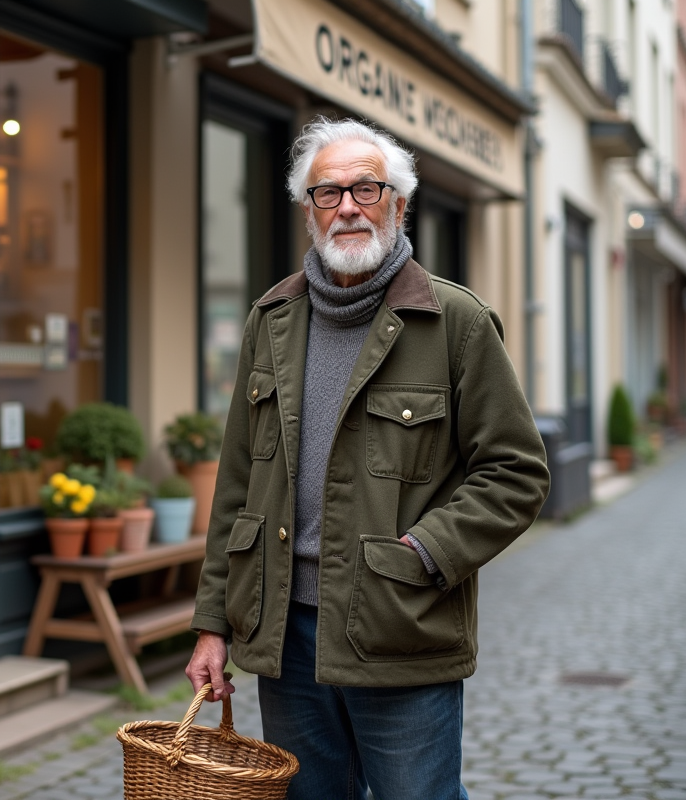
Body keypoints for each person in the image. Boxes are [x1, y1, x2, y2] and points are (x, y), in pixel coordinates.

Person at [186, 117, 549, 799]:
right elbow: (237, 484)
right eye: (328, 193)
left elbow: (517, 472)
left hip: (400, 628)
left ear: (399, 204)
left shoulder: (456, 322)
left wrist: (424, 553)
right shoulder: (271, 320)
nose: (347, 206)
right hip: (285, 636)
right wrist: (212, 624)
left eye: (366, 188)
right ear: (308, 212)